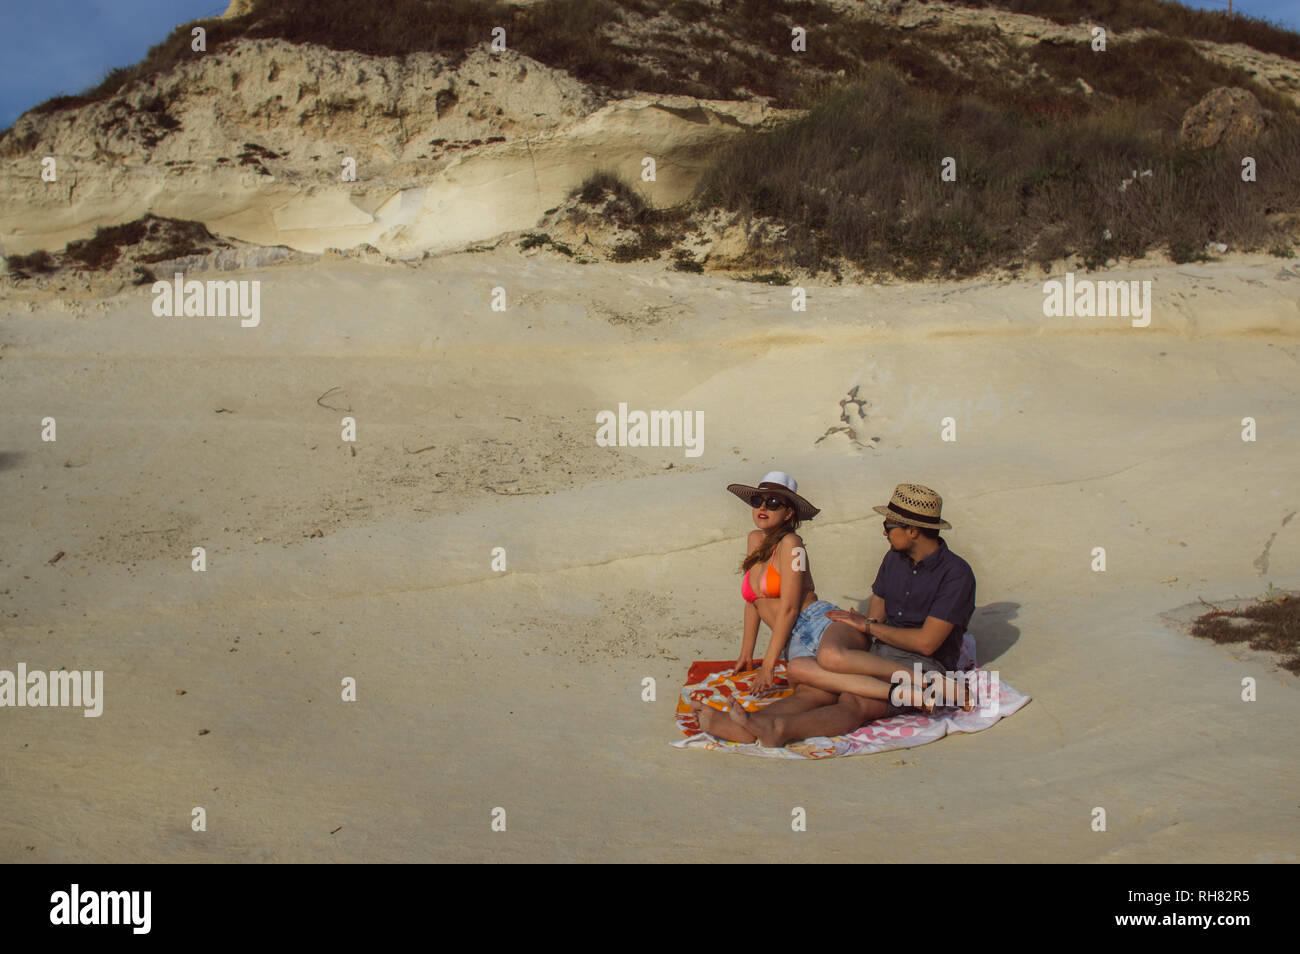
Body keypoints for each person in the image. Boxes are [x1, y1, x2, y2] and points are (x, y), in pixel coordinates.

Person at [695, 481, 976, 747]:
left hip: (922, 665)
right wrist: (862, 632)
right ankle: (750, 725)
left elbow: (926, 643)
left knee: (854, 702)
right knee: (810, 686)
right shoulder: (893, 559)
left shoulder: (955, 574)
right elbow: (875, 618)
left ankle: (780, 730)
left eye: (889, 525)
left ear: (913, 530)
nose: (884, 532)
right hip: (877, 656)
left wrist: (867, 627)